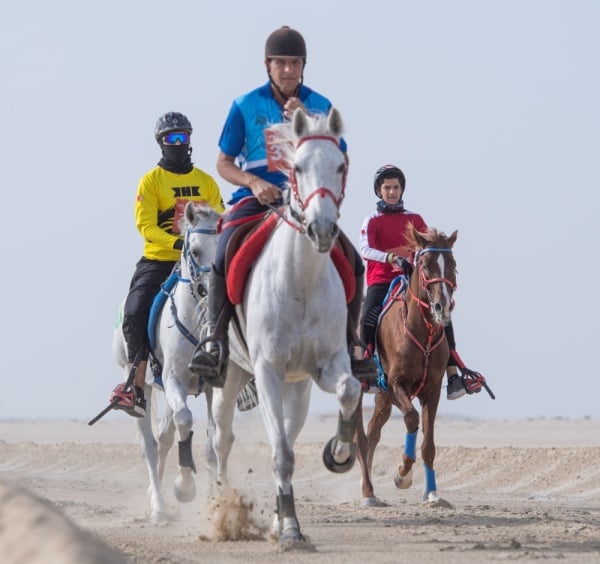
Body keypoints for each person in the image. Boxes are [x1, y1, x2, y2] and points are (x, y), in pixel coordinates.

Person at [188, 26, 378, 386]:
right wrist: (254, 183)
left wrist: (304, 116)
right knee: (223, 251)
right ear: (267, 65)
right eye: (281, 63)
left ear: (303, 65)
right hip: (257, 201)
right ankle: (214, 341)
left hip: (304, 203)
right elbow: (223, 163)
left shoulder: (320, 105)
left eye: (294, 62)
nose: (288, 69)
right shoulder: (244, 105)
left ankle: (353, 345)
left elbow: (340, 157)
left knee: (351, 260)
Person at [109, 112, 225, 417]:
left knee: (237, 300)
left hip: (202, 262)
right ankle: (135, 386)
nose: (177, 143)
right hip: (160, 260)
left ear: (189, 140)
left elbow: (221, 217)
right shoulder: (150, 182)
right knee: (134, 312)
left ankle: (244, 377)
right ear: (161, 143)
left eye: (182, 137)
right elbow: (145, 226)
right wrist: (178, 244)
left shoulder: (206, 181)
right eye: (171, 138)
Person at [359, 164, 484, 400]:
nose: (392, 192)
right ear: (379, 191)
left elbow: (426, 250)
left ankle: (454, 375)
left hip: (412, 280)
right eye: (387, 188)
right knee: (369, 316)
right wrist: (391, 257)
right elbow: (365, 248)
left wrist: (416, 259)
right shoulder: (372, 220)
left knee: (442, 315)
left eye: (396, 187)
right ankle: (367, 373)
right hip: (381, 280)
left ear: (402, 189)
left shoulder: (415, 219)